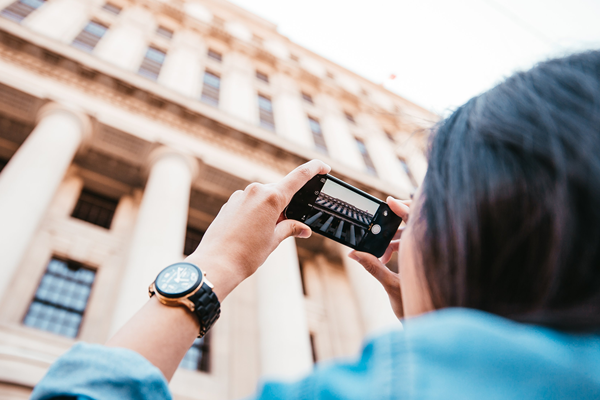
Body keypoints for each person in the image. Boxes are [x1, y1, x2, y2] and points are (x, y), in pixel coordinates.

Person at [31, 50, 600, 399]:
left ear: (475, 230)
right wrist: (442, 309)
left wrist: (208, 271)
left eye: (420, 198)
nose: (403, 216)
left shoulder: (400, 383)